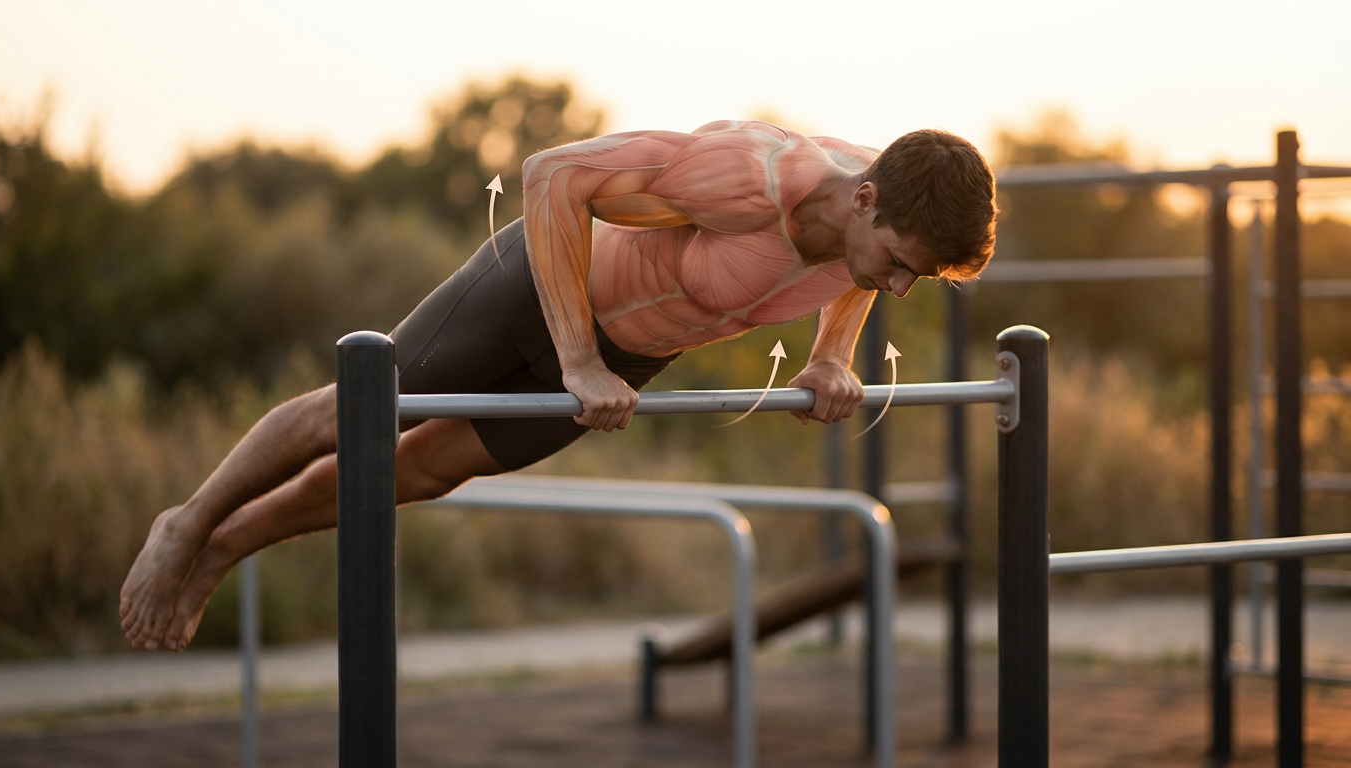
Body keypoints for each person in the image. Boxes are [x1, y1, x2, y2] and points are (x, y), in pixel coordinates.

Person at [119, 120, 997, 652]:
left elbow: (855, 276)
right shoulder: (751, 175)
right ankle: (186, 523)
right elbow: (552, 174)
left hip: (629, 358)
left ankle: (230, 545)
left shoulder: (872, 234)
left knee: (425, 471)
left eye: (915, 279)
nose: (896, 288)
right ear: (864, 198)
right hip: (537, 297)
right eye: (898, 264)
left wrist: (832, 357)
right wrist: (577, 355)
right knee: (355, 413)